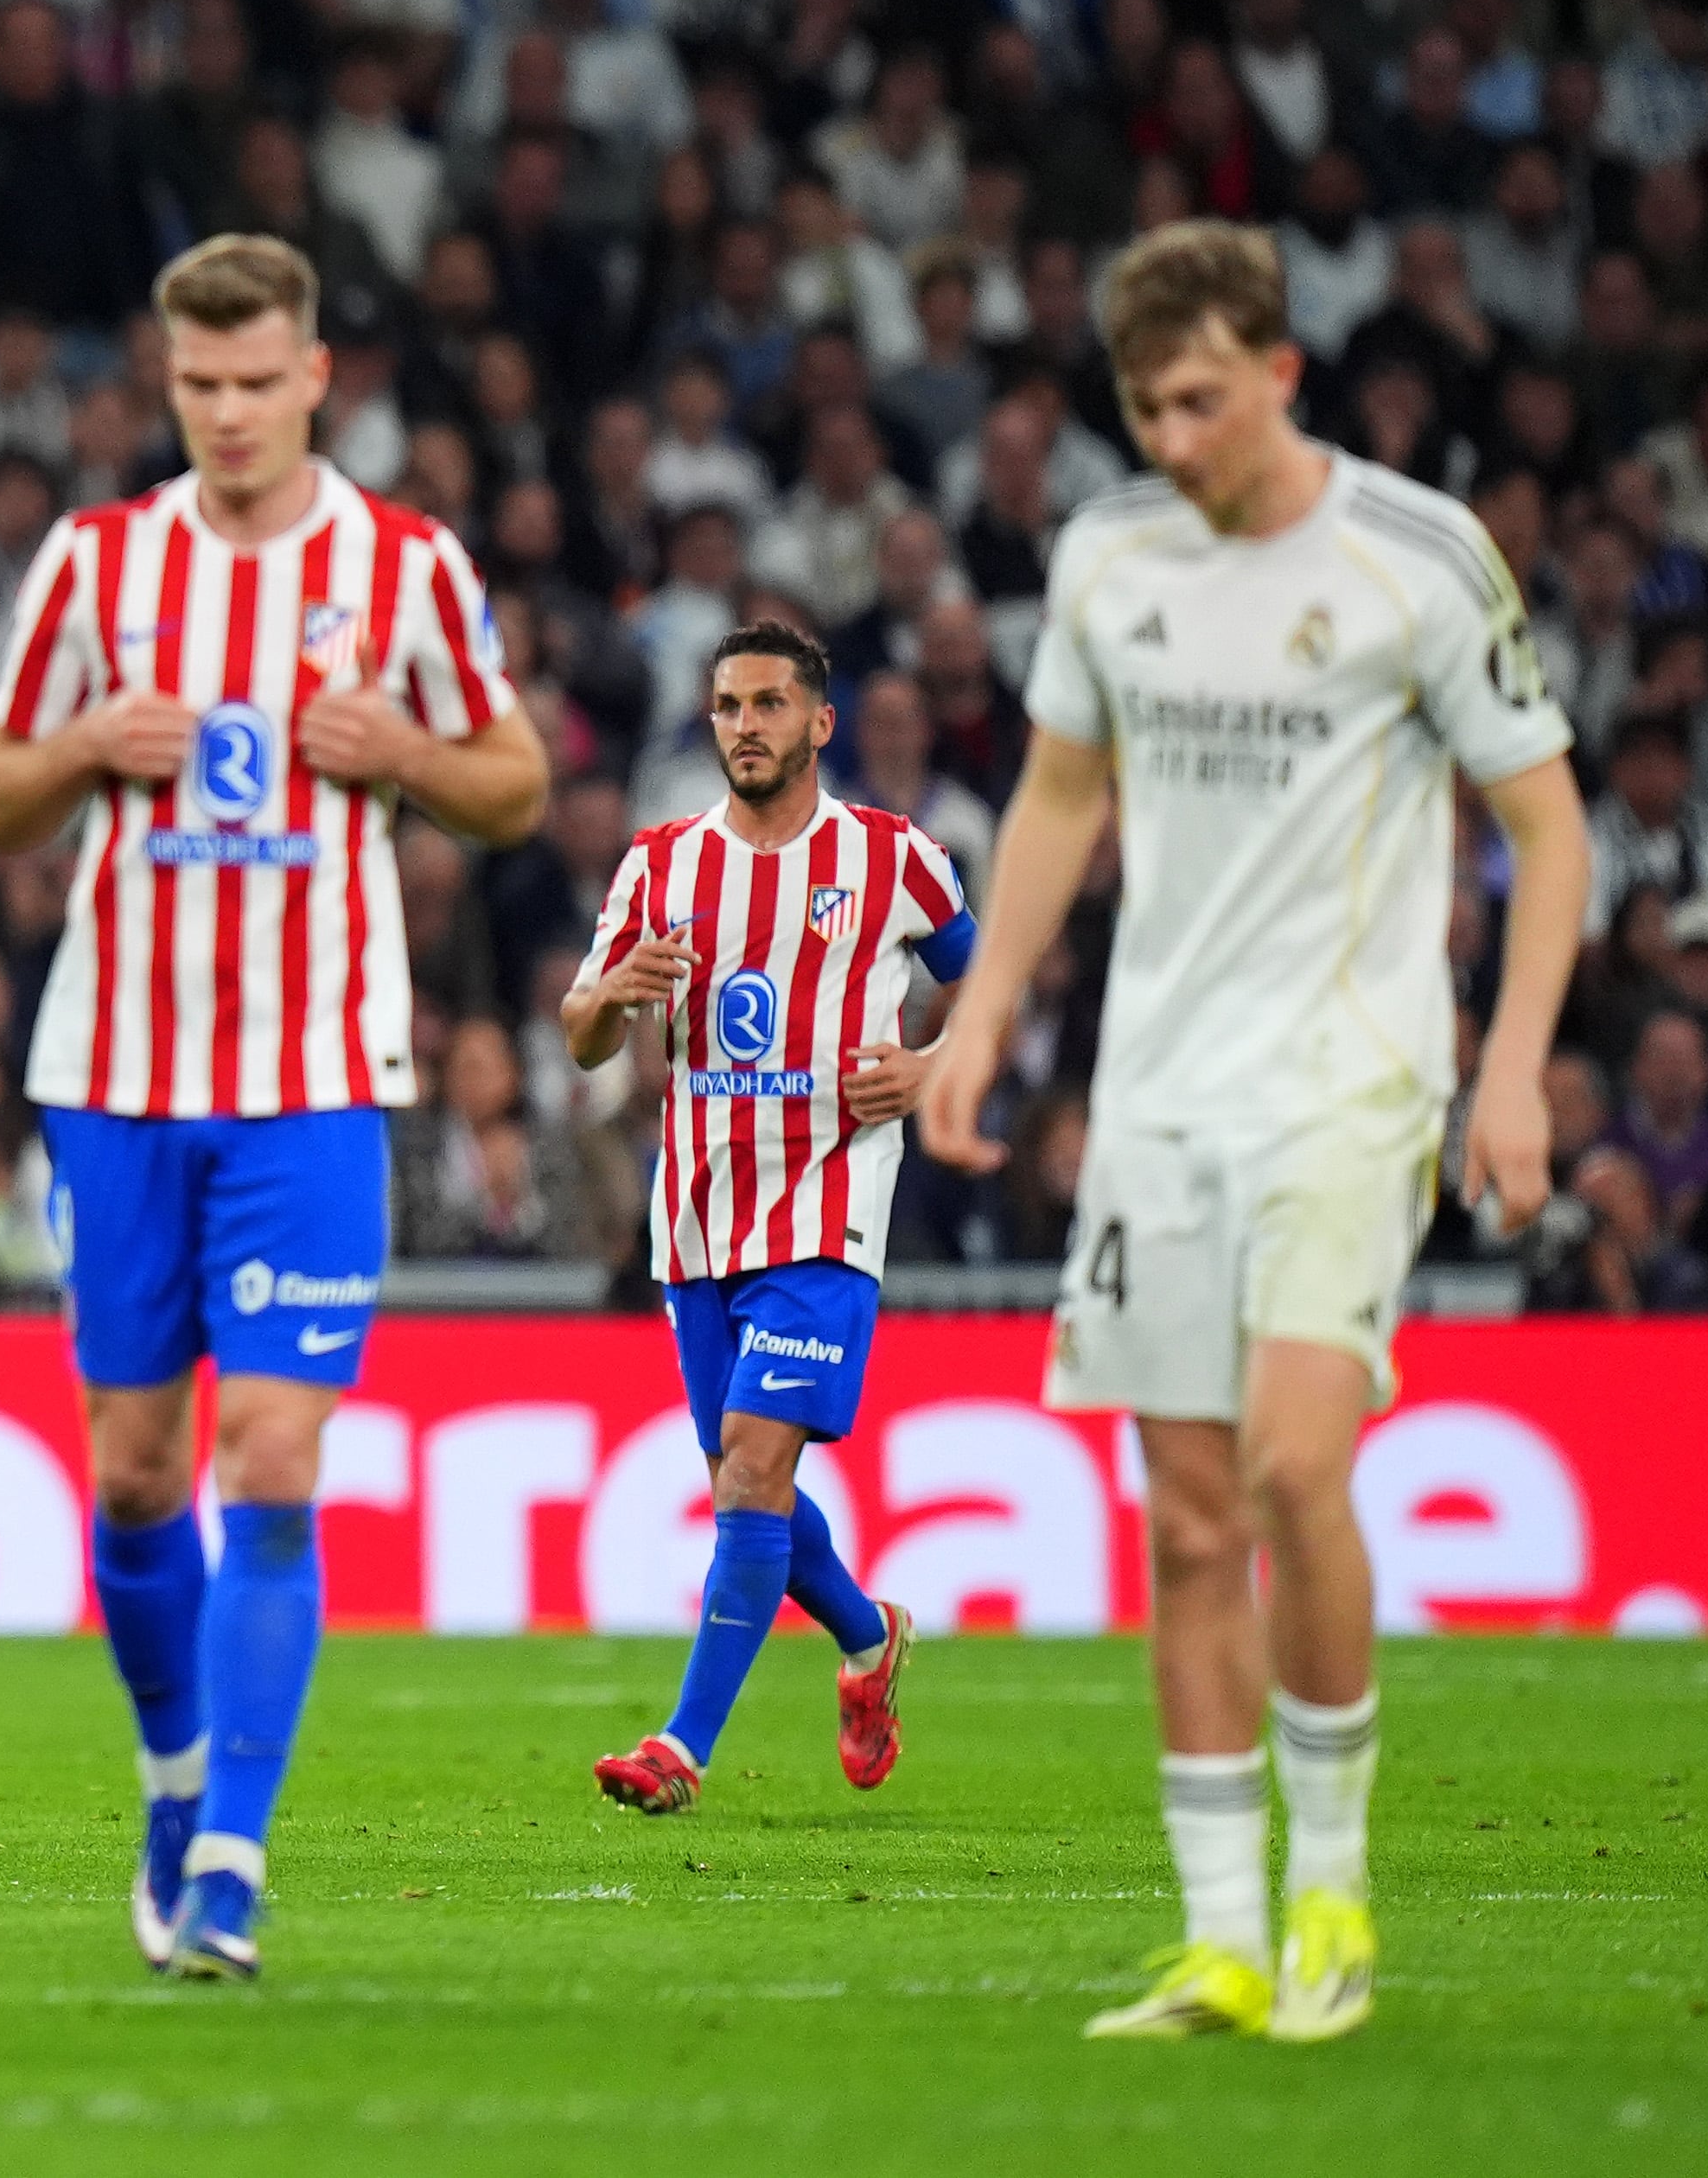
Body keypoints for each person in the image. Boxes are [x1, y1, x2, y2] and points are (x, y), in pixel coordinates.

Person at [917, 222, 1590, 2046]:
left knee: (1301, 1464)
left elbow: (1550, 830)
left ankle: (1331, 1893)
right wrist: (981, 1011)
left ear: (1281, 375)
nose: (1175, 439)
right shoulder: (1106, 556)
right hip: (1154, 1091)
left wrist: (1514, 1061)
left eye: (1202, 400)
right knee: (1192, 1516)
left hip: (1349, 1077)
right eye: (1146, 408)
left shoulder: (1415, 557)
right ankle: (1218, 1937)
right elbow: (1057, 797)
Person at [0, 232, 547, 1981]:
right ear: (171, 383)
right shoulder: (95, 561)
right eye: (195, 386)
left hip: (313, 1085)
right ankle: (169, 1775)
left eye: (252, 381)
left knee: (269, 1457)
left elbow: (514, 784)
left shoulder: (404, 566)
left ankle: (230, 1852)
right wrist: (82, 751)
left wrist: (410, 762)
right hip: (116, 1083)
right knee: (136, 1478)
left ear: (314, 377)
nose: (224, 412)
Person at [558, 619, 967, 1815]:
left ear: (819, 722)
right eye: (729, 705)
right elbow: (586, 1036)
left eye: (770, 704)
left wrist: (931, 1067)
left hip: (827, 1212)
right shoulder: (659, 865)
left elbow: (995, 988)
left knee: (749, 1471)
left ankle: (681, 1745)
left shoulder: (897, 860)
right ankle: (868, 1635)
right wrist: (608, 996)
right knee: (754, 1488)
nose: (746, 725)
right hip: (695, 1224)